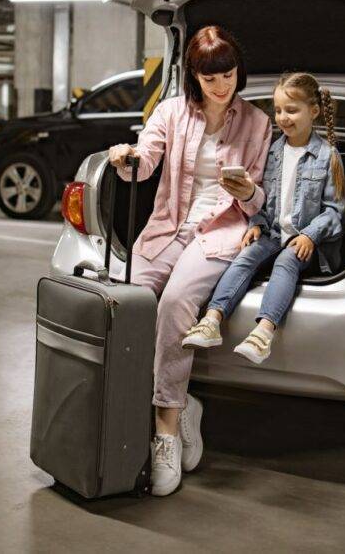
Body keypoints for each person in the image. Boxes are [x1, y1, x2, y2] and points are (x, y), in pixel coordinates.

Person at [107, 26, 272, 496]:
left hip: (219, 233)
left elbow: (260, 201)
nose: (222, 86)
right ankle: (184, 406)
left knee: (176, 301)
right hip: (166, 229)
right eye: (210, 76)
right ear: (194, 76)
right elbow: (144, 162)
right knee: (127, 303)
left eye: (229, 74)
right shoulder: (171, 112)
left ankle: (165, 432)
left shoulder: (258, 123)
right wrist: (126, 156)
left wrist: (250, 192)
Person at [182, 72, 345, 364]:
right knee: (245, 256)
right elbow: (262, 198)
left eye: (292, 110)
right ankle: (211, 320)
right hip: (273, 233)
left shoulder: (327, 156)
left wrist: (309, 235)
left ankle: (264, 332)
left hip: (306, 242)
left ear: (315, 112)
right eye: (279, 110)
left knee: (286, 261)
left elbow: (334, 211)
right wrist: (256, 223)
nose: (283, 117)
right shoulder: (273, 151)